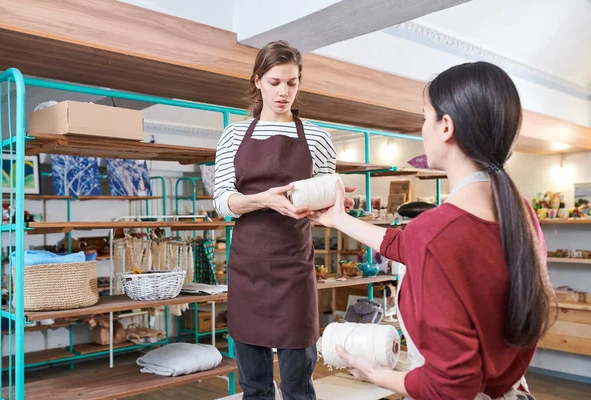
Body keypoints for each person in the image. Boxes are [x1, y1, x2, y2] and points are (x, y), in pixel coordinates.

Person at [310, 61, 554, 400]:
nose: (422, 129)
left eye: (425, 117)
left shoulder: (436, 232)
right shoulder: (521, 213)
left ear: (446, 127)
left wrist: (378, 375)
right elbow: (408, 244)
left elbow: (452, 385)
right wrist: (338, 219)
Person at [213, 40, 351, 400]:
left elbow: (325, 201)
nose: (283, 92)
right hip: (247, 269)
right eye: (275, 82)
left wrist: (334, 203)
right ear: (258, 81)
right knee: (254, 386)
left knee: (297, 385)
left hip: (294, 268)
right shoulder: (234, 134)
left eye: (292, 83)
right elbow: (222, 201)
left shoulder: (318, 138)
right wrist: (264, 200)